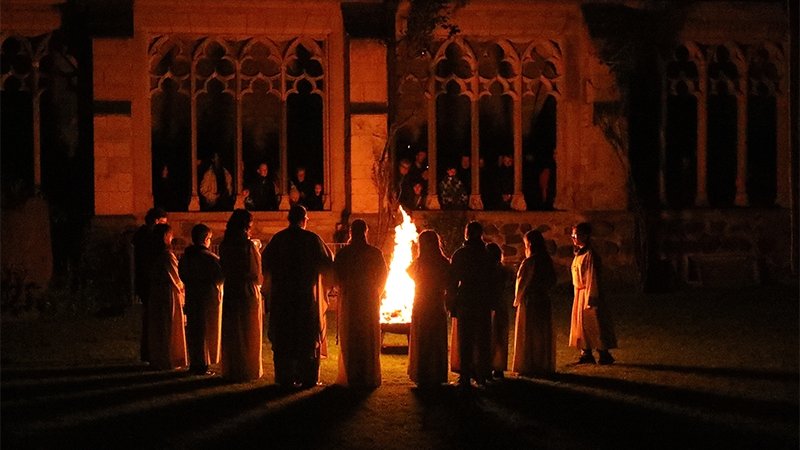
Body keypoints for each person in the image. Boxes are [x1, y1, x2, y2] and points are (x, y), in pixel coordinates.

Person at [262, 205, 334, 388]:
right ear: (304, 219)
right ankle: (308, 377)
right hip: (305, 298)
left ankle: (285, 377)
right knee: (306, 335)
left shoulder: (278, 239)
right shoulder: (312, 239)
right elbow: (328, 263)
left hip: (283, 297)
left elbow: (266, 263)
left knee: (285, 334)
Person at [332, 219, 388, 388]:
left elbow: (336, 277)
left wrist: (343, 289)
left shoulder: (344, 254)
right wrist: (376, 292)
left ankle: (353, 374)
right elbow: (383, 277)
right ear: (365, 232)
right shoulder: (374, 253)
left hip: (350, 298)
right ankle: (367, 374)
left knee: (351, 334)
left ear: (351, 233)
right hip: (368, 298)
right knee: (367, 335)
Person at [218, 209, 264, 381]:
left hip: (231, 288)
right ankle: (248, 369)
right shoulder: (248, 246)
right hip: (246, 289)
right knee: (248, 329)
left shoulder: (225, 245)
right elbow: (256, 272)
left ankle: (233, 367)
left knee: (233, 330)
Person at [449, 221, 494, 389]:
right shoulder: (487, 253)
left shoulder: (461, 254)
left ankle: (466, 376)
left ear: (467, 234)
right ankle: (481, 374)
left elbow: (453, 280)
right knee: (482, 338)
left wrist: (451, 301)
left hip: (467, 298)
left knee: (466, 339)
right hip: (482, 299)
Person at [407, 230, 451, 388]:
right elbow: (448, 282)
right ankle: (436, 374)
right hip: (436, 302)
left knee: (423, 339)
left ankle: (422, 374)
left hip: (422, 301)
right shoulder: (444, 263)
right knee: (435, 339)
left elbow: (410, 273)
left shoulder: (418, 263)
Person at [178, 223, 224, 375]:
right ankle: (203, 364)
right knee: (206, 330)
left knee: (194, 330)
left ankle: (196, 362)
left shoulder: (186, 256)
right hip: (207, 297)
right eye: (210, 238)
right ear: (205, 239)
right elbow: (220, 276)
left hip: (192, 295)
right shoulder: (209, 258)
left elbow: (182, 274)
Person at [569, 222, 617, 365]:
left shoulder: (590, 255)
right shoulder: (579, 254)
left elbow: (592, 276)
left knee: (595, 323)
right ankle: (586, 352)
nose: (573, 237)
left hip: (588, 293)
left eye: (575, 234)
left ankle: (603, 353)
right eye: (572, 234)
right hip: (580, 293)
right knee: (582, 325)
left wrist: (592, 297)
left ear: (585, 235)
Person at [511, 230, 557, 376]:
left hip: (530, 302)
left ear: (529, 245)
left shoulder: (529, 262)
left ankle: (529, 364)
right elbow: (552, 280)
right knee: (541, 333)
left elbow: (522, 283)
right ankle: (542, 364)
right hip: (543, 300)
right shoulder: (546, 260)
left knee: (529, 333)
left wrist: (518, 299)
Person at [147, 223, 188, 370]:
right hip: (168, 293)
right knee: (169, 326)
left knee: (159, 327)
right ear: (166, 237)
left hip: (157, 293)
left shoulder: (153, 254)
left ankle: (158, 357)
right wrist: (183, 287)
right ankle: (168, 358)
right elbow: (175, 277)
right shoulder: (166, 255)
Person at [132, 207, 168, 363]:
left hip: (145, 280)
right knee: (153, 318)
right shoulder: (148, 237)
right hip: (150, 281)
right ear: (155, 221)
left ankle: (149, 352)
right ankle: (151, 352)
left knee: (150, 318)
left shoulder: (142, 235)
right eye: (162, 225)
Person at [487, 243, 515, 379]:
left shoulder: (490, 271)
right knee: (500, 337)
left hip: (491, 304)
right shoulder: (504, 270)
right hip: (500, 304)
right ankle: (498, 367)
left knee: (491, 336)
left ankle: (490, 365)